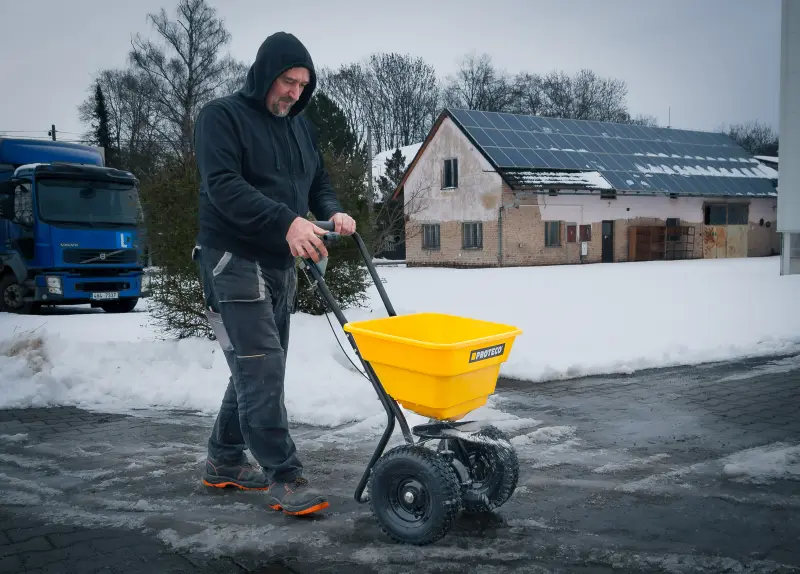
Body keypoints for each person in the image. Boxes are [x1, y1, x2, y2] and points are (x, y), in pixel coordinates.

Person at [191, 31, 356, 516]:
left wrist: (334, 211)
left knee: (259, 366)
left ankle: (223, 460)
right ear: (265, 74)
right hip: (231, 257)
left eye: (304, 85)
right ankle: (283, 477)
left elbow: (318, 182)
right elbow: (222, 187)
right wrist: (287, 220)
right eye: (288, 81)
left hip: (280, 261)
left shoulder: (298, 126)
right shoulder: (221, 117)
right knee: (261, 367)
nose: (295, 93)